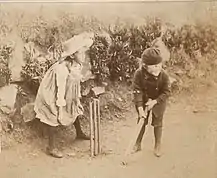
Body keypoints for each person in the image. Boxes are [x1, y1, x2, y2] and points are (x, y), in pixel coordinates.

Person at [34, 32, 94, 158]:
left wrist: (75, 97)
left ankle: (79, 133)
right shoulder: (61, 69)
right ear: (72, 55)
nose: (83, 55)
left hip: (66, 91)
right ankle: (51, 147)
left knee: (74, 107)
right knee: (54, 114)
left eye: (84, 52)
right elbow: (60, 90)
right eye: (80, 52)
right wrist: (60, 110)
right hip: (51, 93)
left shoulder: (76, 65)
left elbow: (75, 82)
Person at [132, 47, 171, 157]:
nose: (158, 67)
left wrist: (154, 102)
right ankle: (137, 144)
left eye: (159, 65)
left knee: (158, 123)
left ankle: (157, 145)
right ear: (145, 66)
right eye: (154, 66)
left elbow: (166, 92)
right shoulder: (139, 74)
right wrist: (140, 108)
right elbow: (137, 91)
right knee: (142, 121)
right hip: (144, 101)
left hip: (159, 101)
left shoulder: (164, 75)